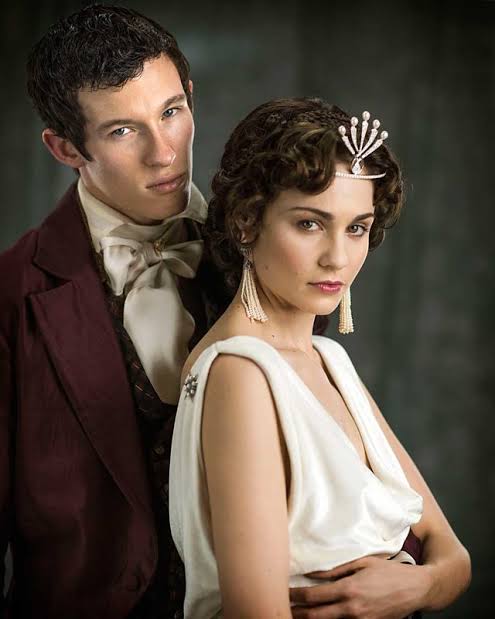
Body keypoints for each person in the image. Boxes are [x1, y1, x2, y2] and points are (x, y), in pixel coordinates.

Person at [169, 98, 471, 618]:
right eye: (310, 224)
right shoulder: (240, 373)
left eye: (357, 228)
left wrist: (418, 588)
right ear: (246, 222)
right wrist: (425, 579)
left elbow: (455, 560)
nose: (338, 257)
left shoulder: (329, 359)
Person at [0, 5, 227, 617]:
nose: (164, 153)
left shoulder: (264, 252)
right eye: (123, 131)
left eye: (171, 112)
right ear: (64, 147)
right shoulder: (9, 294)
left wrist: (426, 572)